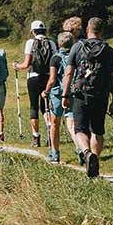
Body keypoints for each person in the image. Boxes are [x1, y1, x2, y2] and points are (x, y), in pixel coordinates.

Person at [65, 15, 113, 178]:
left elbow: (69, 72)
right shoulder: (109, 51)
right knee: (97, 131)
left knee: (80, 129)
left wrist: (65, 94)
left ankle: (87, 153)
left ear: (87, 30)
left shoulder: (77, 47)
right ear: (101, 32)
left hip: (81, 93)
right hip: (101, 95)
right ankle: (95, 160)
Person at [16, 18, 59, 148]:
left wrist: (17, 66)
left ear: (33, 31)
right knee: (45, 106)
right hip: (48, 77)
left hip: (33, 77)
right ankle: (50, 132)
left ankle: (36, 137)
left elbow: (26, 64)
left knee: (34, 106)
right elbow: (56, 61)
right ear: (44, 30)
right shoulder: (51, 43)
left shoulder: (30, 43)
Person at [42, 30, 76, 162]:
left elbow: (52, 79)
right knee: (72, 123)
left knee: (54, 123)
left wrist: (46, 91)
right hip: (72, 92)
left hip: (57, 94)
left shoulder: (55, 58)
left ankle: (54, 154)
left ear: (59, 43)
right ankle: (80, 148)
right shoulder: (76, 56)